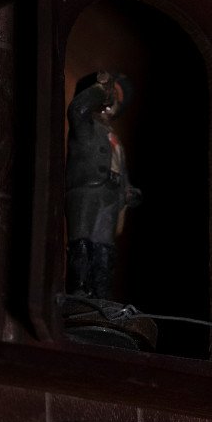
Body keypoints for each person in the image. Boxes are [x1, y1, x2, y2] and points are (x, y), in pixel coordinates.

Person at [65, 70, 141, 300]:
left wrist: (127, 191)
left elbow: (120, 168)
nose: (112, 100)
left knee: (104, 248)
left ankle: (101, 295)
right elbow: (77, 109)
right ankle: (79, 290)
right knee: (82, 242)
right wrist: (99, 92)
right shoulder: (86, 124)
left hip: (110, 196)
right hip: (86, 192)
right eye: (110, 94)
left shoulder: (114, 138)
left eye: (116, 96)